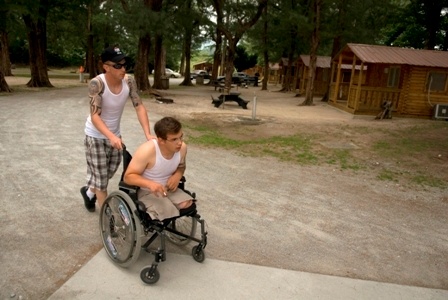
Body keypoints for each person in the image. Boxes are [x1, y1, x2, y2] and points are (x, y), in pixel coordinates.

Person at [80, 45, 155, 212]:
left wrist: (148, 134)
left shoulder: (129, 81)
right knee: (101, 180)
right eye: (117, 65)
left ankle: (88, 192)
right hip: (96, 136)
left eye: (124, 64)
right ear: (106, 67)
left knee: (107, 173)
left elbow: (139, 106)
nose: (123, 69)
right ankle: (110, 219)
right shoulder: (97, 83)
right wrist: (111, 137)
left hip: (115, 136)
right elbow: (95, 116)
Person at [123, 117, 194, 220]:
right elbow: (128, 177)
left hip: (168, 188)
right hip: (147, 191)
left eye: (180, 137)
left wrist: (178, 175)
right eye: (174, 139)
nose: (180, 142)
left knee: (187, 204)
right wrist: (150, 184)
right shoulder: (147, 151)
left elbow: (181, 166)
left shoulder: (182, 148)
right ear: (161, 140)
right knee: (167, 210)